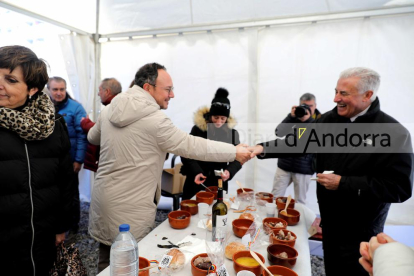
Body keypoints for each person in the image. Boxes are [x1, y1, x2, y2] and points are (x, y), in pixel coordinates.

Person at [87, 62, 251, 272]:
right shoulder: (155, 121)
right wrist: (234, 152)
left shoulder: (109, 109)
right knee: (131, 263)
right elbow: (192, 146)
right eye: (168, 89)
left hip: (105, 199)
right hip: (132, 205)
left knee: (108, 259)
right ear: (148, 88)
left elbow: (93, 136)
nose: (172, 95)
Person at [250, 67, 413, 276]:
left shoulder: (394, 133)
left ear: (368, 95)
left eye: (344, 93)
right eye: (336, 91)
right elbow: (298, 142)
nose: (336, 99)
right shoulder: (328, 120)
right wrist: (261, 148)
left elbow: (399, 188)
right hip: (330, 224)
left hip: (361, 233)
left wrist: (342, 183)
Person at [0, 45, 74, 275]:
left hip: (43, 237)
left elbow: (66, 181)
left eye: (10, 80)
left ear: (32, 88)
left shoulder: (54, 126)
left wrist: (61, 227)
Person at [180, 88, 242, 199]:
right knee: (191, 211)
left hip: (218, 182)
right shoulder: (198, 130)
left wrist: (229, 171)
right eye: (216, 117)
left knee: (216, 212)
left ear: (227, 118)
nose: (219, 122)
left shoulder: (232, 134)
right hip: (196, 180)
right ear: (210, 116)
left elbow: (239, 157)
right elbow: (185, 152)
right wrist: (196, 171)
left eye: (223, 119)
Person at [48, 76, 88, 231]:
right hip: (49, 161)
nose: (59, 93)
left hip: (69, 160)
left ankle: (73, 225)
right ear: (49, 90)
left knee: (70, 194)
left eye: (62, 89)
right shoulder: (42, 107)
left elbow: (82, 135)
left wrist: (78, 159)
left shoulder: (76, 108)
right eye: (55, 89)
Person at [272, 93, 321, 204]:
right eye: (304, 105)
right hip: (284, 165)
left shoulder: (320, 120)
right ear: (299, 105)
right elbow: (279, 133)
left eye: (311, 106)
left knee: (299, 201)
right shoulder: (293, 118)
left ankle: (298, 221)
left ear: (315, 105)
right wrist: (290, 117)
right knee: (275, 196)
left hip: (304, 168)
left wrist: (308, 120)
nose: (307, 108)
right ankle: (273, 219)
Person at [81, 78, 122, 172]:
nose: (98, 94)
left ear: (107, 91)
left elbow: (101, 129)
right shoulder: (120, 105)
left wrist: (85, 123)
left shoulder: (111, 108)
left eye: (99, 90)